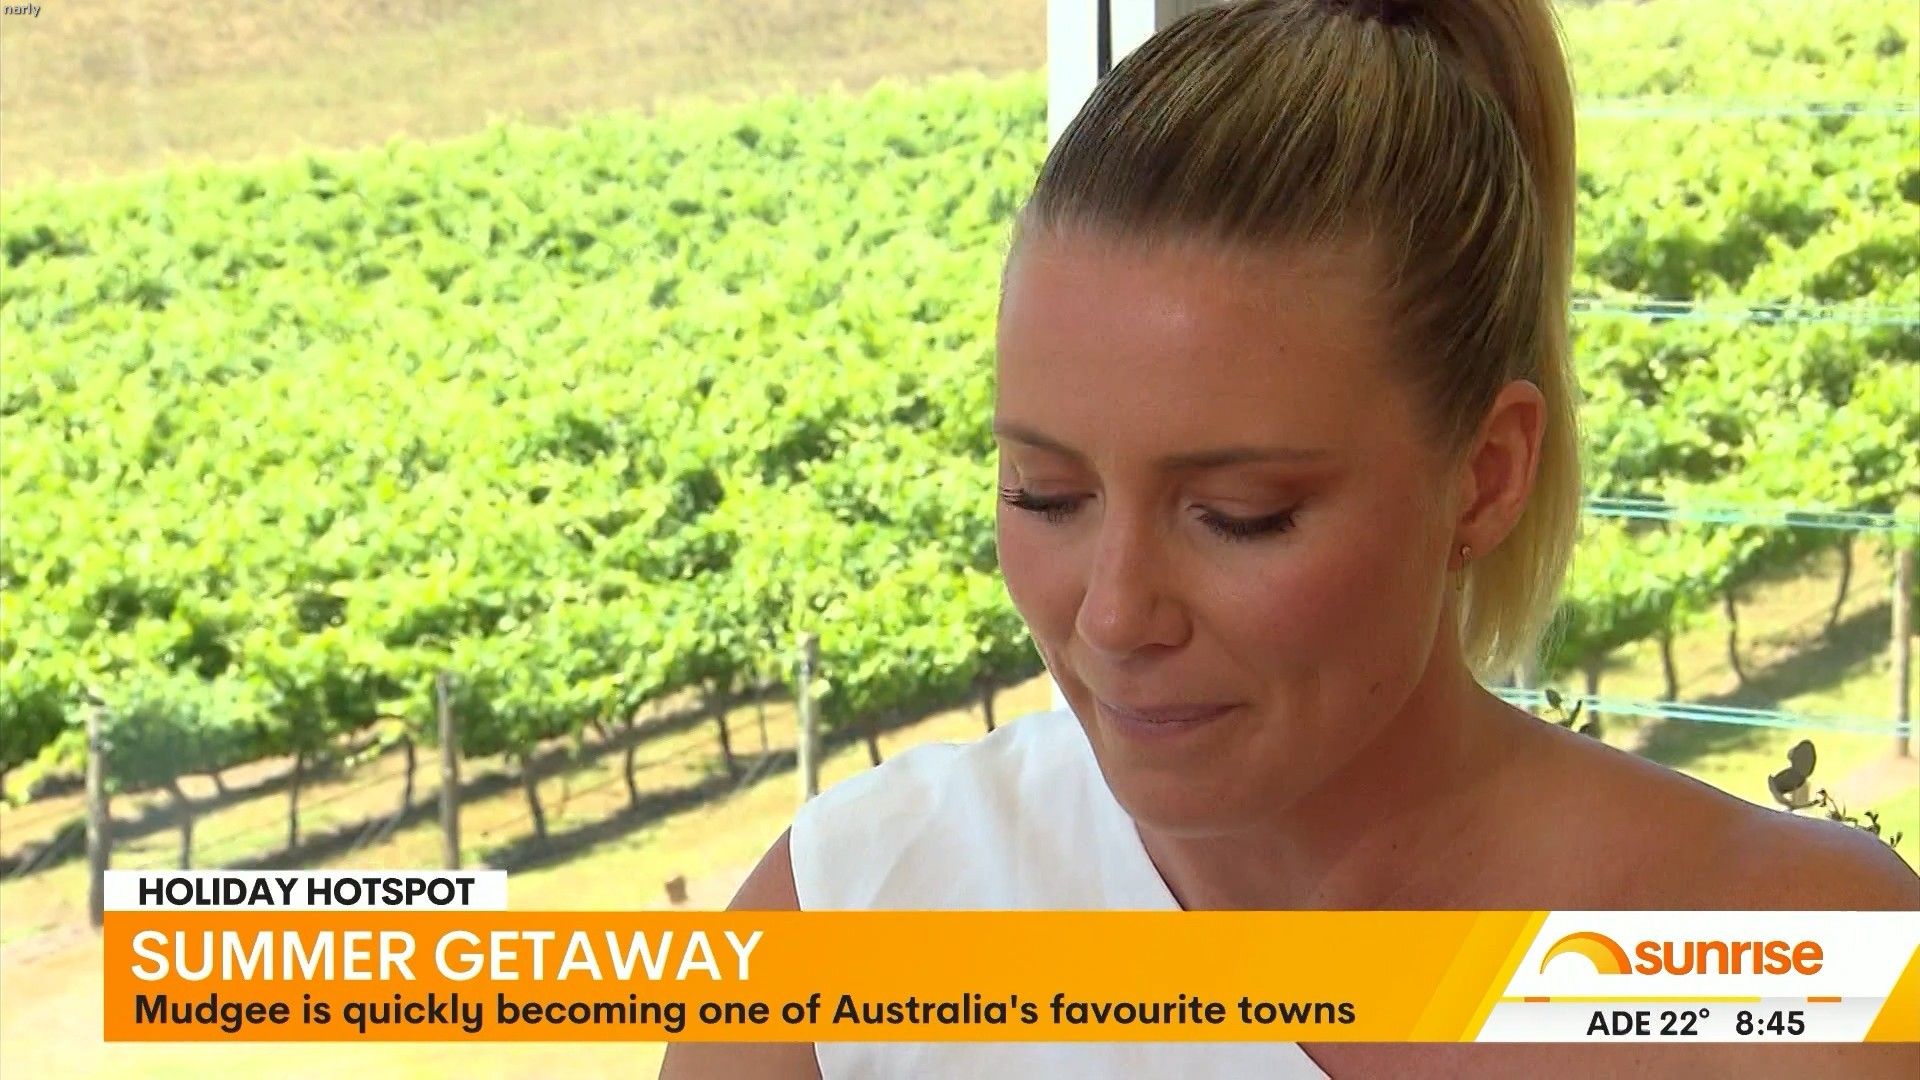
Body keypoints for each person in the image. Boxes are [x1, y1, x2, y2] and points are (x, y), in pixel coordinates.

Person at [661, 0, 1920, 1076]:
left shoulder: (1818, 977)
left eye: (1240, 515)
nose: (1113, 615)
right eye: (1045, 495)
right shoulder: (847, 924)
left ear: (1485, 478)